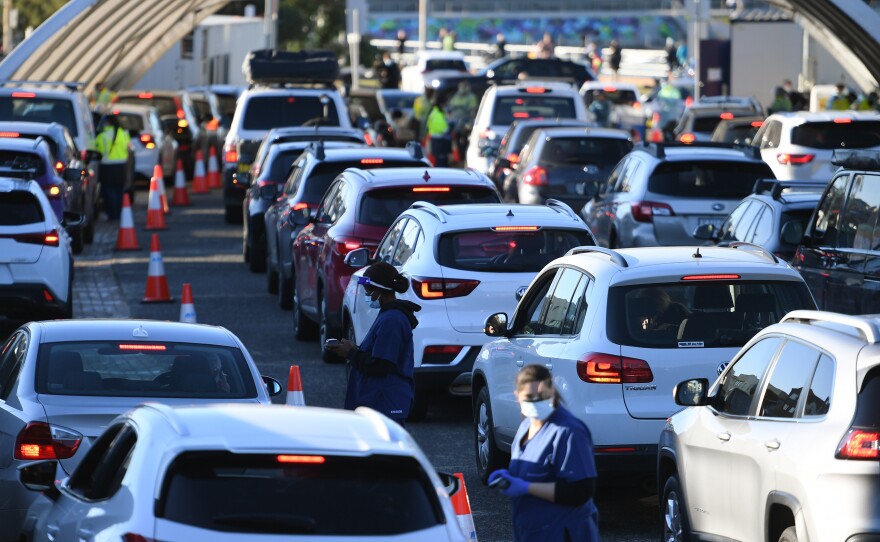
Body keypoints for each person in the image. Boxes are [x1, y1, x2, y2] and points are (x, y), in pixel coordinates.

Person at [488, 364, 599, 542]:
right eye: (530, 397)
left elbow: (581, 491)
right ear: (517, 397)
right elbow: (533, 470)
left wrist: (526, 487)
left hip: (563, 532)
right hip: (532, 531)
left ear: (552, 392)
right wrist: (509, 478)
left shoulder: (569, 431)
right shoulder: (526, 426)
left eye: (542, 396)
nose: (536, 402)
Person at [326, 262, 420, 426]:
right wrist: (355, 349)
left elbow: (382, 365)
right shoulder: (388, 315)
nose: (366, 294)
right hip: (379, 401)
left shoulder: (392, 321)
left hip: (386, 402)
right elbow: (378, 353)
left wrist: (350, 353)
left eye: (368, 290)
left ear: (379, 292)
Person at [94, 114, 130, 220]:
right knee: (119, 191)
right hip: (121, 166)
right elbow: (127, 148)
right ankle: (118, 214)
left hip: (107, 167)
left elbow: (98, 151)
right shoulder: (123, 134)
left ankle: (112, 214)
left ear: (107, 122)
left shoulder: (102, 136)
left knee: (109, 192)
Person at [448, 81, 477, 163]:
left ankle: (464, 156)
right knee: (456, 139)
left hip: (465, 121)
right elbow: (451, 107)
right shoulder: (456, 96)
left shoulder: (471, 97)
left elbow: (473, 109)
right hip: (455, 121)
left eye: (464, 86)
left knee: (465, 139)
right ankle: (458, 156)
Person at [426, 95, 452, 167]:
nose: (447, 105)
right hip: (439, 140)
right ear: (442, 103)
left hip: (436, 139)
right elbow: (444, 128)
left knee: (439, 159)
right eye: (446, 103)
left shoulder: (435, 111)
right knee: (441, 161)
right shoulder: (438, 114)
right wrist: (449, 128)